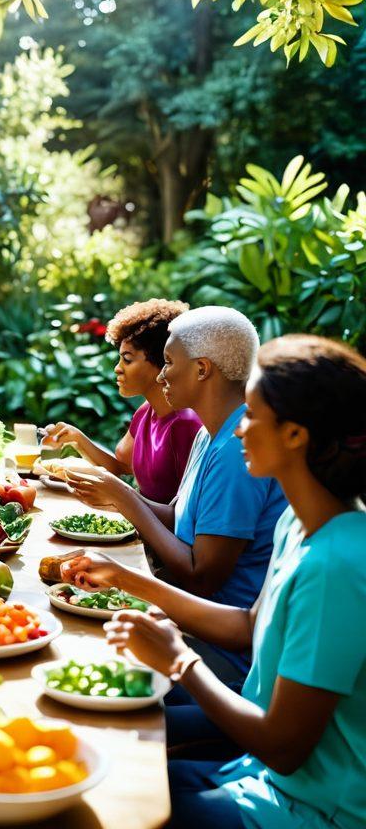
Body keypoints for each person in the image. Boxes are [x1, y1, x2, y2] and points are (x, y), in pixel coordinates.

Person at [64, 334, 366, 828]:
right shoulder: (299, 522)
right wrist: (128, 581)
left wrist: (180, 661)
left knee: (110, 806)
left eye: (252, 416)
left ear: (295, 435)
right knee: (105, 753)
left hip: (308, 808)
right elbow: (250, 625)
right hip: (260, 771)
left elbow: (284, 747)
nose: (240, 429)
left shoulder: (339, 565)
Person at [66, 306, 286, 676]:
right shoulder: (208, 432)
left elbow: (201, 577)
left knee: (86, 659)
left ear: (202, 369)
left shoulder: (238, 448)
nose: (162, 374)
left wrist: (123, 497)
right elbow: (176, 515)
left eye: (168, 361)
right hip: (186, 619)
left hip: (220, 646)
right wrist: (117, 495)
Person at [43, 299, 201, 503]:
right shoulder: (146, 412)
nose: (117, 368)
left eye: (127, 359)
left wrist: (119, 498)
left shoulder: (184, 424)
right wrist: (78, 439)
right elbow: (121, 467)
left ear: (162, 361)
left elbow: (183, 513)